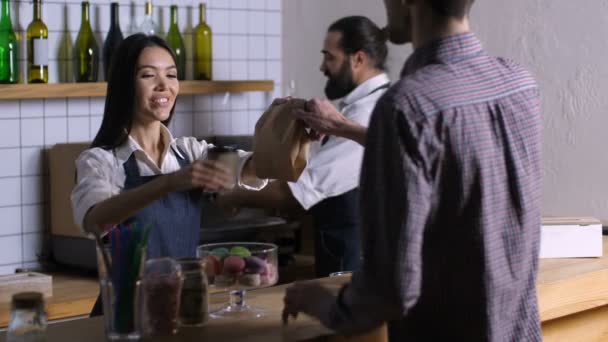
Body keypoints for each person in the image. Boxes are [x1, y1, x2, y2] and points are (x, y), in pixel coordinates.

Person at [283, 0, 543, 341]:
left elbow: (390, 289)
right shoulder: (519, 84)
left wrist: (322, 302)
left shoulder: (405, 107)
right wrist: (345, 126)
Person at [70, 34, 267, 315]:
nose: (164, 85)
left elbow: (257, 168)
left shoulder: (189, 151)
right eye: (149, 75)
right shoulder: (100, 160)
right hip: (125, 315)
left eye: (172, 75)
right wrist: (170, 182)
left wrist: (287, 128)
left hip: (181, 308)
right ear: (125, 85)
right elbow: (95, 220)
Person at [218, 16, 390, 277]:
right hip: (341, 246)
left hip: (351, 256)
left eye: (329, 57)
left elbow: (299, 189)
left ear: (358, 59)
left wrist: (229, 195)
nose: (322, 66)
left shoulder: (366, 113)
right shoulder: (360, 106)